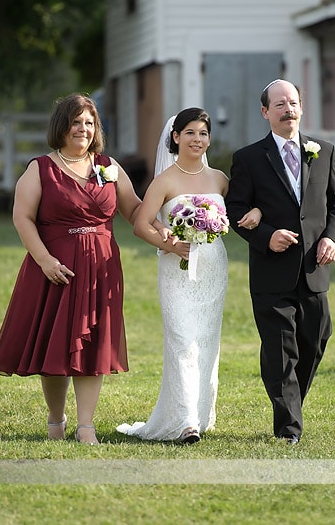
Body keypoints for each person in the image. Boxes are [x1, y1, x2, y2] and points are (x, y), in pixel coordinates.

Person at [0, 93, 170, 445]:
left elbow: (133, 211)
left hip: (100, 269)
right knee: (54, 348)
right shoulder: (41, 168)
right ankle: (56, 420)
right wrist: (45, 261)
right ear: (61, 126)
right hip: (55, 269)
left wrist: (164, 232)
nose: (82, 129)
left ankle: (86, 425)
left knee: (92, 345)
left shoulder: (109, 166)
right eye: (75, 122)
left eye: (89, 123)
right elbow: (22, 217)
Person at [116, 108, 259, 444]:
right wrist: (170, 242)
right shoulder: (164, 181)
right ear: (176, 137)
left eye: (203, 133)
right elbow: (141, 224)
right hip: (176, 270)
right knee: (182, 341)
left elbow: (243, 209)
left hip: (212, 269)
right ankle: (185, 423)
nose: (198, 140)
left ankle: (199, 412)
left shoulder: (220, 179)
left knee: (206, 343)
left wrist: (256, 211)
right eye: (190, 133)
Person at [225, 79, 335, 445]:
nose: (287, 109)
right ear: (265, 112)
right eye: (278, 104)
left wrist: (332, 239)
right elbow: (235, 210)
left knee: (316, 339)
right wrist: (266, 236)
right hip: (271, 271)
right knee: (280, 351)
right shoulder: (248, 158)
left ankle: (291, 402)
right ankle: (288, 429)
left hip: (314, 269)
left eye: (292, 102)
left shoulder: (322, 151)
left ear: (301, 108)